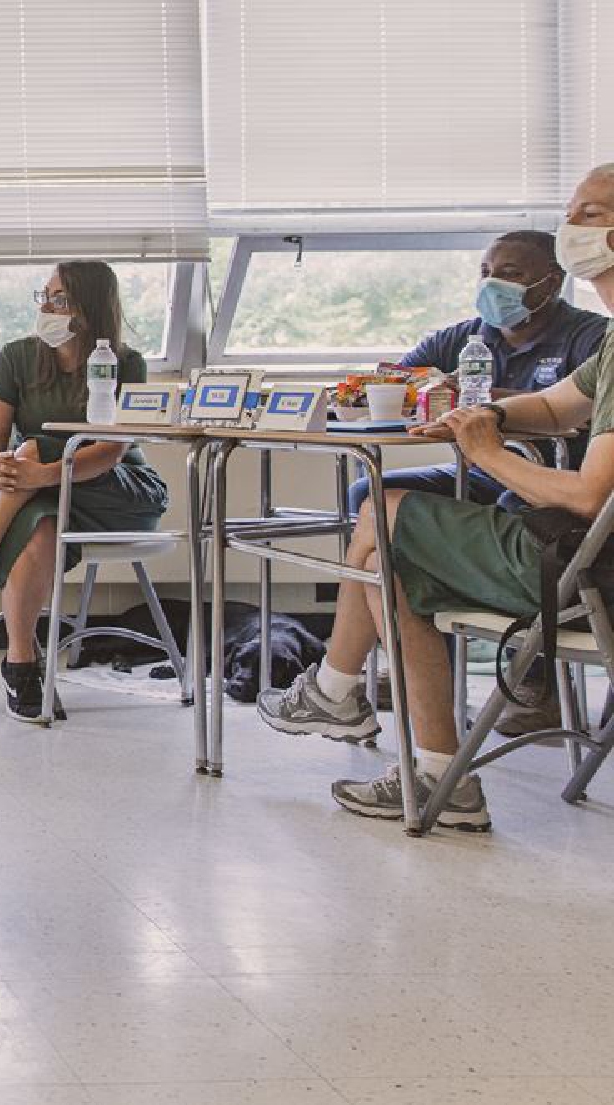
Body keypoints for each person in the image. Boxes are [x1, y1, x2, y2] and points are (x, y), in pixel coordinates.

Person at [256, 164, 614, 829]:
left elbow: (592, 496)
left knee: (377, 516)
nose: (572, 226)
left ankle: (338, 691)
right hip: (564, 546)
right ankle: (436, 777)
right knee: (385, 558)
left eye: (590, 214)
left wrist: (486, 453)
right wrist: (486, 417)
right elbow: (560, 406)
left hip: (581, 566)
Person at [0, 263, 169, 721]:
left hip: (114, 494)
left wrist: (41, 472)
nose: (46, 306)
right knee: (34, 517)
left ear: (89, 307)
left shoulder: (125, 361)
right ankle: (21, 664)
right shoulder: (17, 357)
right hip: (36, 494)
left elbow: (110, 452)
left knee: (33, 451)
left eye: (59, 298)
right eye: (44, 295)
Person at [345, 230, 604, 516]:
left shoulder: (593, 337)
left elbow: (585, 411)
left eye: (510, 273)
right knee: (369, 491)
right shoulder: (462, 338)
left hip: (557, 475)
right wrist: (431, 388)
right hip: (482, 470)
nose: (492, 283)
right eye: (486, 272)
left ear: (552, 282)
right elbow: (394, 382)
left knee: (514, 507)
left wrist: (483, 400)